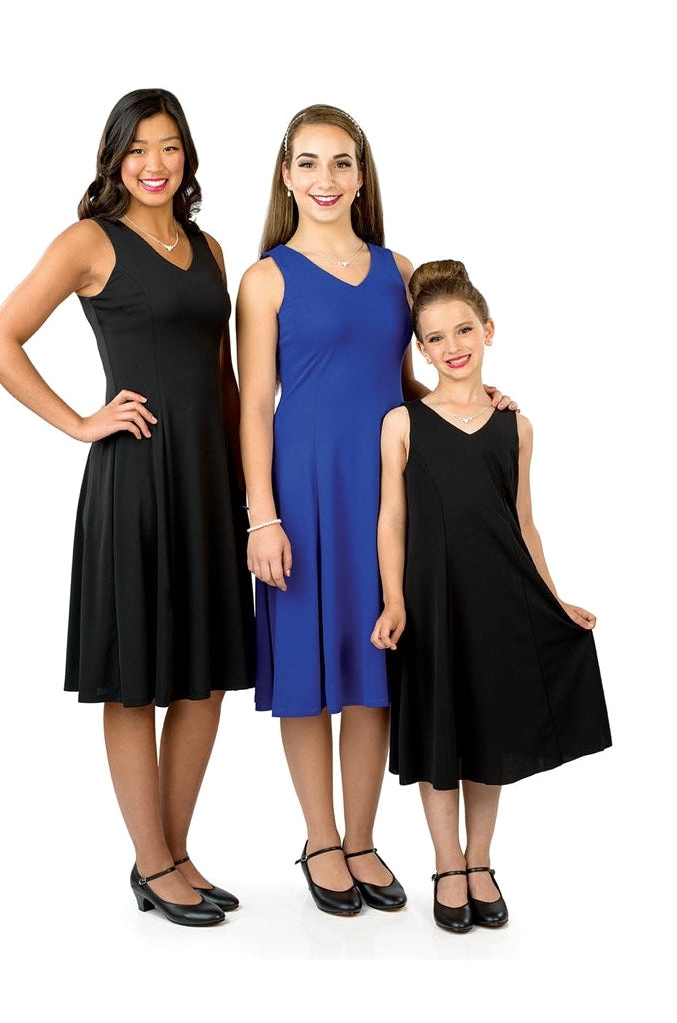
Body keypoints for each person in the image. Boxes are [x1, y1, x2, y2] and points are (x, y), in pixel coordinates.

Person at [0, 88, 255, 927]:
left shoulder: (208, 247)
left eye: (168, 147)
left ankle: (171, 851)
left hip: (209, 482)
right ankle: (153, 861)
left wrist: (252, 491)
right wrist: (80, 422)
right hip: (134, 481)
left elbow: (224, 377)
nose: (154, 164)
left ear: (186, 155)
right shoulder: (89, 242)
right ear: (115, 159)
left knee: (206, 678)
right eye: (137, 149)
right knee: (135, 683)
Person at [236, 105, 514, 915]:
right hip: (301, 491)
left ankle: (360, 838)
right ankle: (320, 838)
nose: (325, 179)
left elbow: (407, 380)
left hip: (388, 490)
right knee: (304, 670)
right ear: (286, 175)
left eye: (341, 162)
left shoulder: (399, 268)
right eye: (308, 162)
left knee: (372, 667)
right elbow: (253, 406)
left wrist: (472, 399)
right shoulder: (265, 278)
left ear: (361, 175)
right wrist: (261, 516)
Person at [370, 259, 612, 932]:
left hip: (499, 598)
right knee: (439, 729)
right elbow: (391, 520)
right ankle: (446, 862)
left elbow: (523, 523)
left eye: (463, 330)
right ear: (420, 351)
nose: (452, 347)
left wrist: (552, 599)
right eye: (435, 338)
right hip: (431, 601)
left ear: (488, 330)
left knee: (487, 728)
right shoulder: (402, 423)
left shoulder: (516, 426)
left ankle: (480, 860)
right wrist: (394, 600)